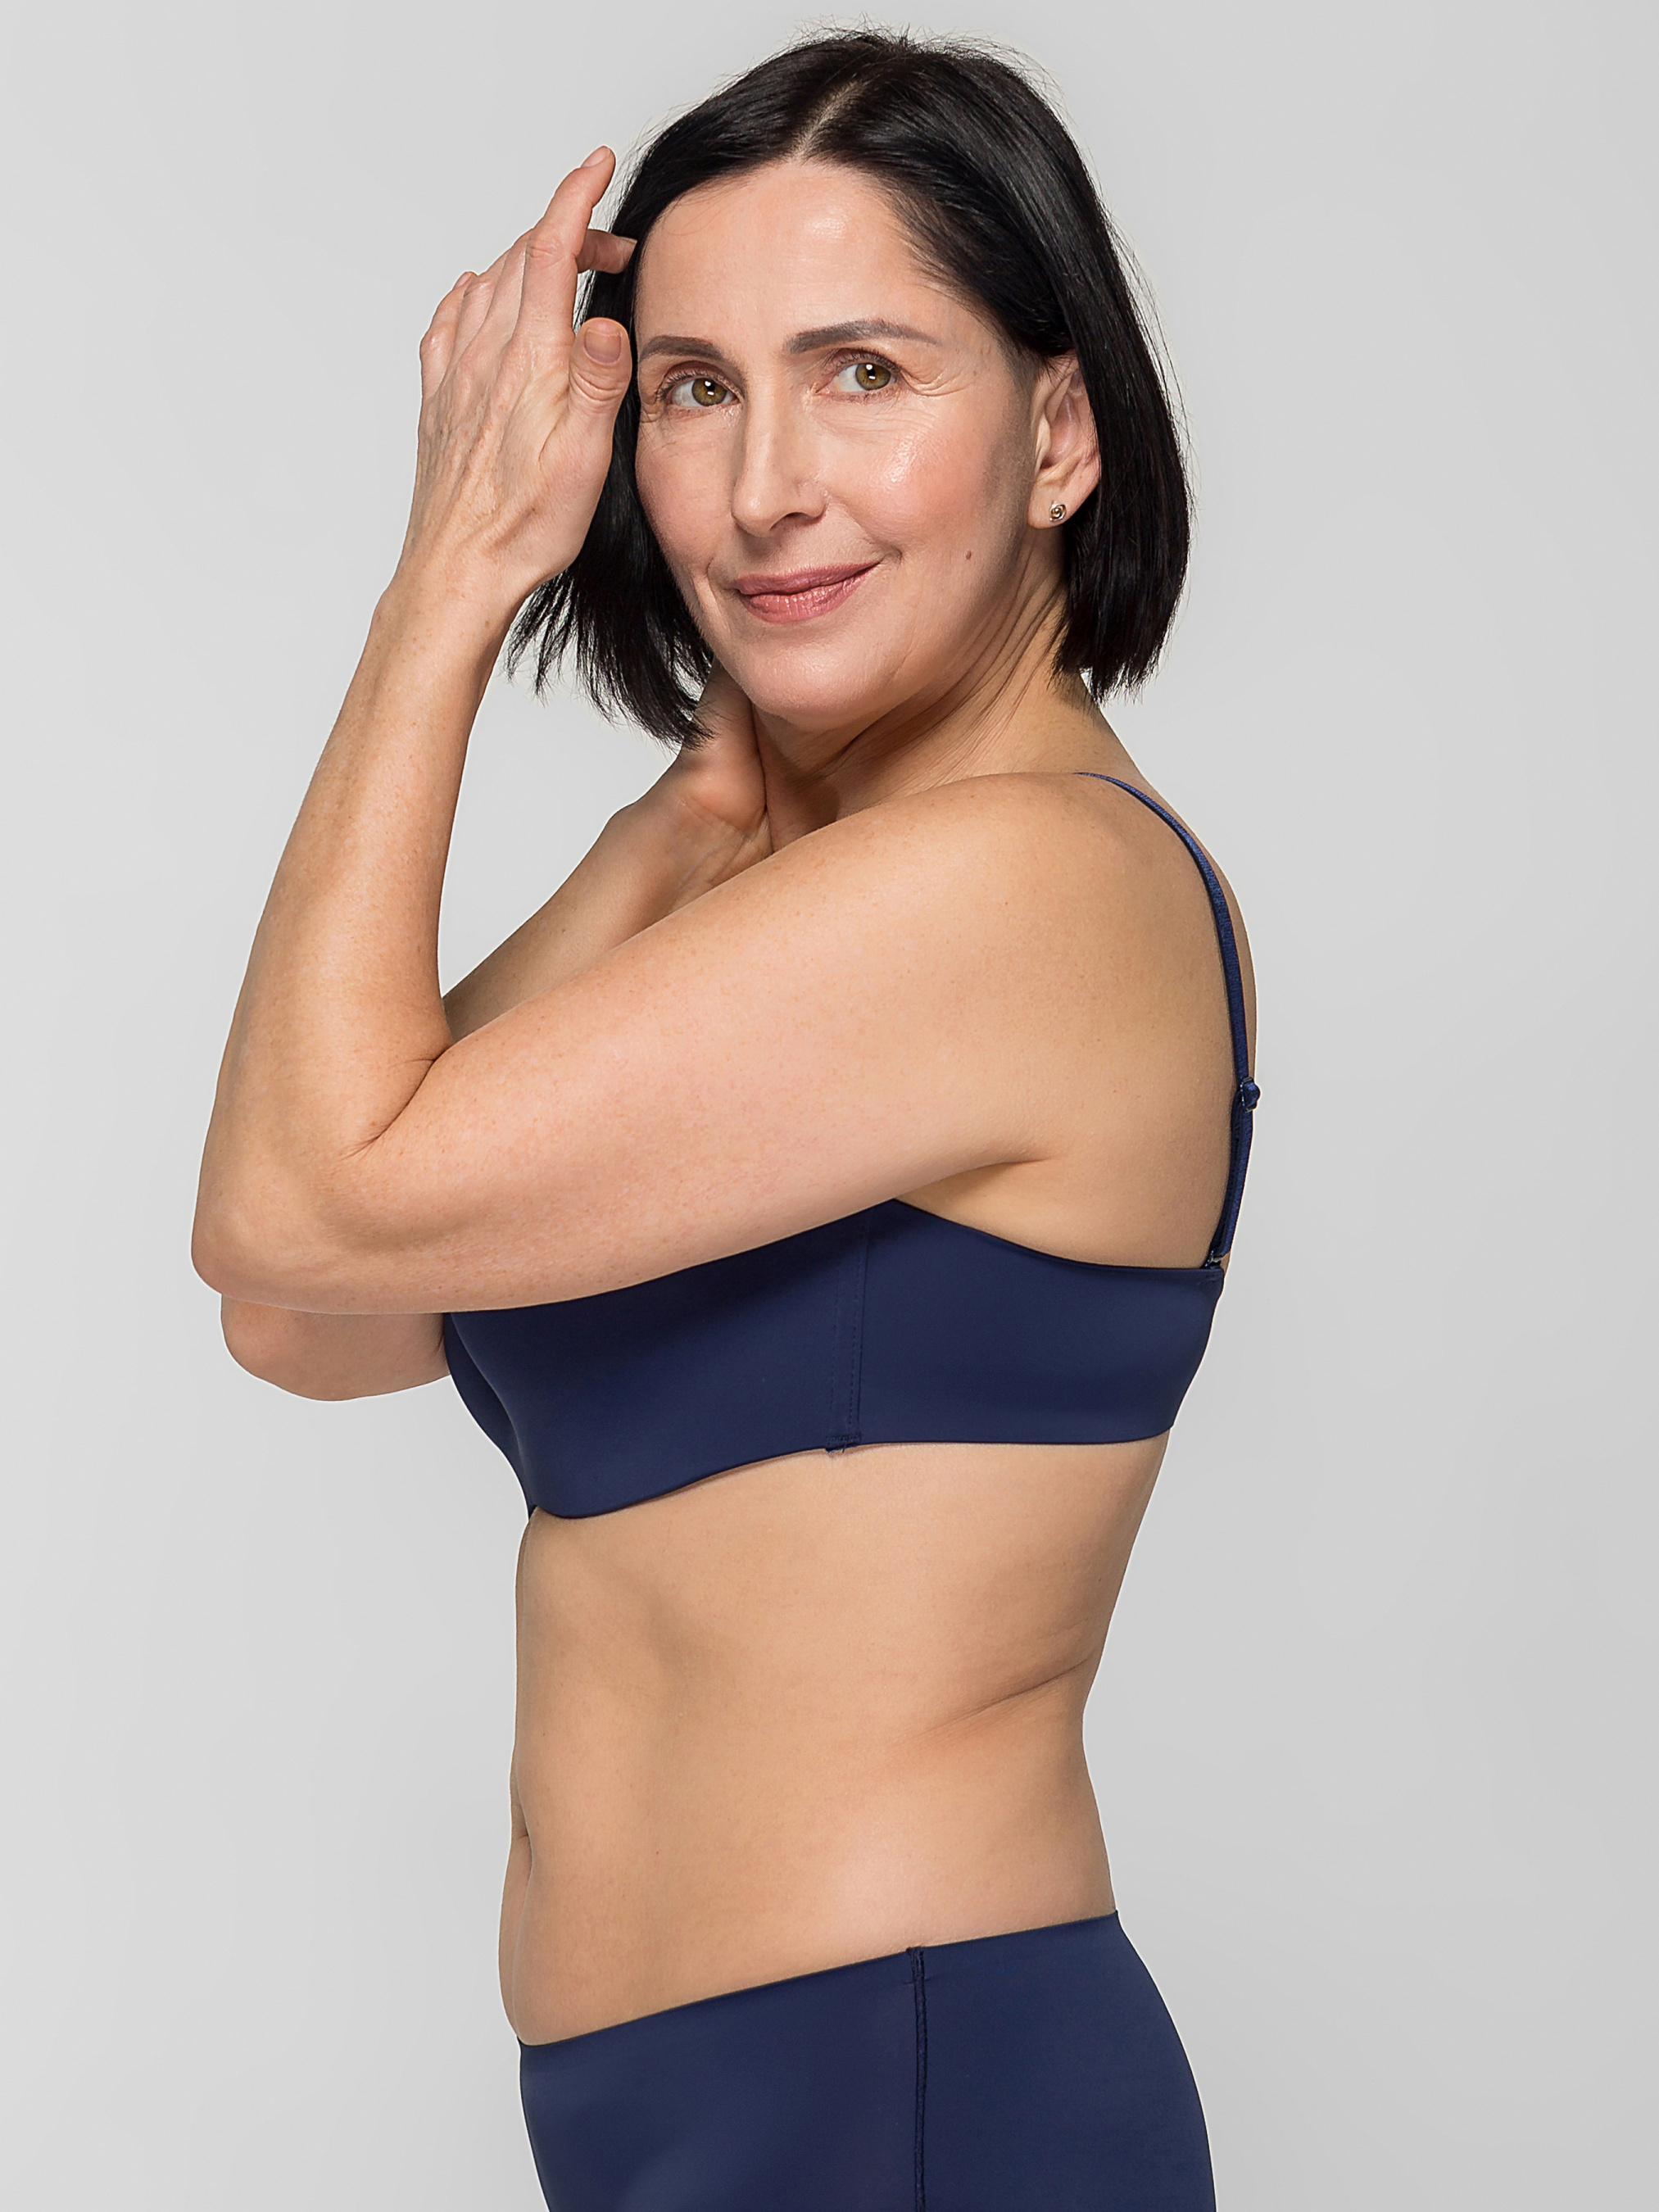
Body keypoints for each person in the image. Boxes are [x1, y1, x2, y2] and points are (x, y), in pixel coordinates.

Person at [193, 27, 1257, 2211]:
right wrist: (662, 841)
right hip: (719, 2110)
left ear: (1058, 434)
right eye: (693, 387)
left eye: (863, 371)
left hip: (903, 2094)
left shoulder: (1029, 886)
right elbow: (305, 1312)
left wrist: (446, 579)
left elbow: (296, 1198)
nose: (768, 482)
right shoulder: (793, 905)